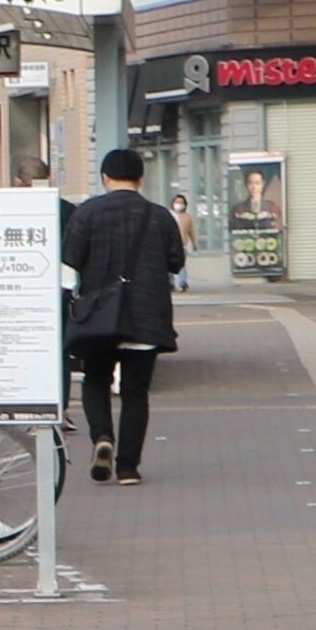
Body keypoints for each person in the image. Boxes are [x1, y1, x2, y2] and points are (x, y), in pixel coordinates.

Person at [64, 144, 183, 483]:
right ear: (140, 179)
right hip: (146, 316)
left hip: (100, 318)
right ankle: (128, 467)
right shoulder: (159, 216)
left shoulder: (86, 213)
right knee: (135, 393)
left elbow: (69, 260)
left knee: (95, 381)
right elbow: (176, 262)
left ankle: (103, 437)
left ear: (105, 177)